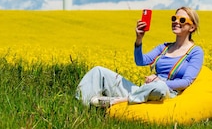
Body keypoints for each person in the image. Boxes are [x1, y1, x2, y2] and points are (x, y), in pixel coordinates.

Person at [75, 6, 204, 108]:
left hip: (166, 93)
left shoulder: (195, 52)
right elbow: (140, 61)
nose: (176, 22)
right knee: (98, 71)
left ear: (192, 27)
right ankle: (81, 106)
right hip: (143, 91)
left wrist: (160, 81)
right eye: (174, 18)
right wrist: (139, 39)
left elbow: (186, 82)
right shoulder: (164, 47)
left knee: (159, 87)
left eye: (182, 20)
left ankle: (118, 101)